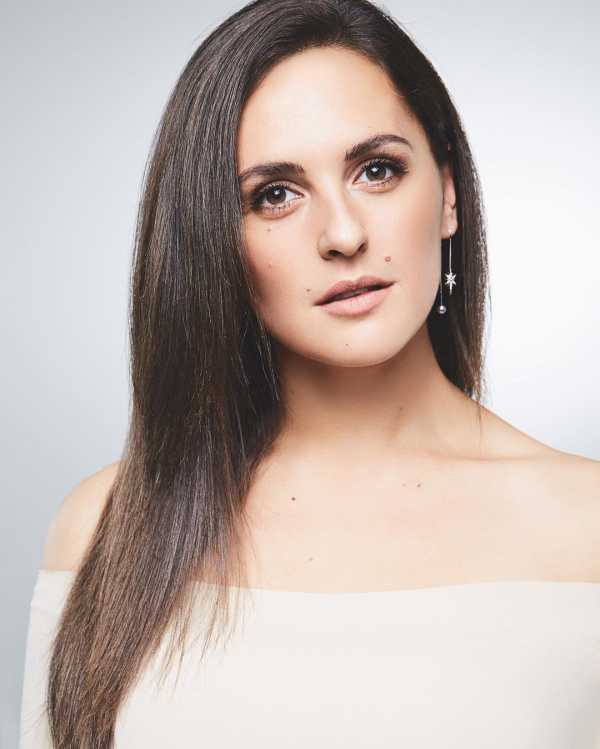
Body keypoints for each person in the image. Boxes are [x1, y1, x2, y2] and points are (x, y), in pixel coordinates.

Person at [20, 0, 600, 747]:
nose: (343, 233)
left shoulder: (585, 524)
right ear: (216, 241)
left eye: (377, 170)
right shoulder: (107, 527)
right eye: (275, 195)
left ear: (448, 194)